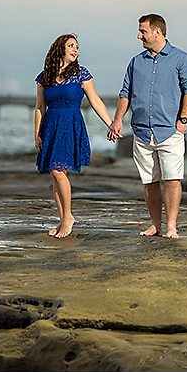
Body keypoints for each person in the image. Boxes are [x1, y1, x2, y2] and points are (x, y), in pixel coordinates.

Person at [107, 14, 187, 239]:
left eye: (143, 32)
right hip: (141, 131)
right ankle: (155, 225)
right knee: (149, 182)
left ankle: (171, 226)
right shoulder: (136, 61)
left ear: (157, 32)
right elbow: (125, 93)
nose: (139, 36)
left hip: (170, 130)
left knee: (172, 179)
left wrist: (183, 120)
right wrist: (117, 119)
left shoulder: (181, 59)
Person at [35, 34, 113, 238]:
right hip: (50, 127)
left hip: (70, 124)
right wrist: (37, 134)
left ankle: (68, 217)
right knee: (55, 174)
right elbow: (39, 107)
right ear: (59, 49)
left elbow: (95, 101)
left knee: (58, 170)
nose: (75, 50)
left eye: (77, 47)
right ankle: (62, 221)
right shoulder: (45, 76)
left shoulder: (81, 74)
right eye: (71, 46)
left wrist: (111, 123)